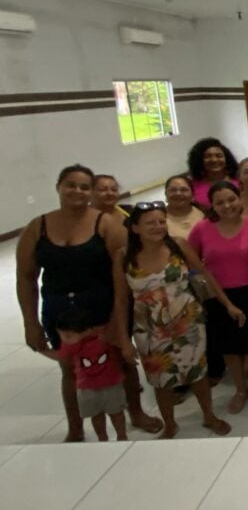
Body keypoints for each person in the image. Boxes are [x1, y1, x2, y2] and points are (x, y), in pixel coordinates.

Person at [16, 164, 161, 441]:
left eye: (84, 186)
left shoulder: (106, 224)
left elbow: (122, 276)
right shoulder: (38, 227)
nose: (77, 191)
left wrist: (118, 323)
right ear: (58, 187)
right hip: (60, 312)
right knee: (70, 369)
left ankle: (136, 412)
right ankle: (75, 427)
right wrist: (30, 323)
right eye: (71, 184)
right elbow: (26, 278)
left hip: (103, 305)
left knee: (122, 364)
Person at [113, 202, 234, 439]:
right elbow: (121, 301)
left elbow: (205, 274)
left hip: (188, 322)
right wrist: (124, 341)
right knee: (161, 379)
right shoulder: (124, 256)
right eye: (150, 223)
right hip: (149, 329)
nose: (158, 227)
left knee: (198, 372)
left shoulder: (178, 246)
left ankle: (208, 416)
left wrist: (227, 304)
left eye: (161, 221)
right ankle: (170, 423)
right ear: (135, 227)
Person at [188, 182, 248, 413]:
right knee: (230, 348)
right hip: (219, 296)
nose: (227, 205)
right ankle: (240, 389)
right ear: (212, 206)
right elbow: (192, 262)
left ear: (240, 199)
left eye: (231, 199)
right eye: (220, 202)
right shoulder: (201, 230)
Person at [44, 308, 128, 441]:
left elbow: (119, 343)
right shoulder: (71, 346)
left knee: (116, 413)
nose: (64, 340)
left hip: (112, 384)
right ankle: (102, 437)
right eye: (62, 336)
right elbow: (61, 356)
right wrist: (42, 349)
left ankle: (122, 435)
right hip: (87, 388)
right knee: (96, 415)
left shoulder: (104, 337)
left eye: (68, 336)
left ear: (87, 331)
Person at [187, 137, 240, 211]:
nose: (214, 160)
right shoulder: (191, 186)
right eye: (208, 156)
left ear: (227, 158)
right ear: (199, 160)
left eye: (219, 156)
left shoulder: (239, 180)